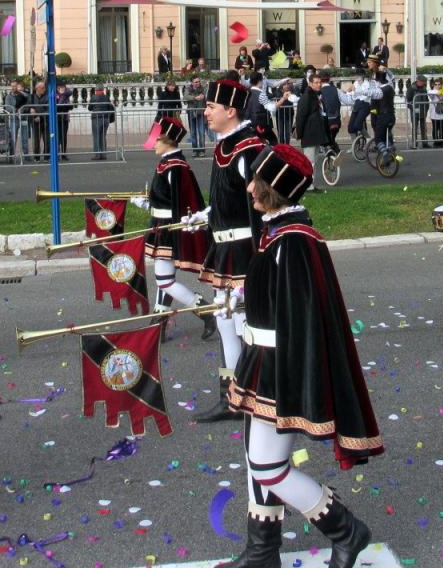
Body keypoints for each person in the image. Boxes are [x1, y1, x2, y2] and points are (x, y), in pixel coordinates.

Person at [221, 143, 382, 568]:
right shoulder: (277, 232)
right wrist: (243, 296)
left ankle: (346, 530)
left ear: (272, 189)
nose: (249, 186)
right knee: (257, 460)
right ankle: (262, 551)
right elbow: (279, 300)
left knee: (269, 467)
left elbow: (301, 319)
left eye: (256, 179)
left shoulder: (293, 241)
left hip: (279, 370)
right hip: (263, 364)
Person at [179, 77, 266, 423]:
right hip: (224, 249)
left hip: (245, 253)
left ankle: (254, 394)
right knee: (225, 321)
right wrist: (206, 215)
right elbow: (226, 198)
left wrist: (259, 264)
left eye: (211, 106)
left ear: (231, 110)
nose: (206, 112)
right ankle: (230, 398)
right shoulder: (223, 145)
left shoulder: (249, 148)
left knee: (245, 325)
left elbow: (261, 208)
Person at [133, 116, 217, 341]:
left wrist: (151, 206)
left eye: (156, 140)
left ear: (167, 141)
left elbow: (184, 204)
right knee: (165, 278)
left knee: (165, 281)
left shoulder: (176, 167)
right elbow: (166, 199)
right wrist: (148, 203)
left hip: (169, 229)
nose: (153, 144)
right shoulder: (166, 163)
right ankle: (158, 324)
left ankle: (206, 312)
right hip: (161, 227)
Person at [293, 71, 331, 183]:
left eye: (320, 82)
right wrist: (299, 133)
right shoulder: (307, 97)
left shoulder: (315, 95)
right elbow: (300, 116)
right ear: (310, 83)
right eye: (316, 82)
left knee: (314, 161)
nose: (319, 84)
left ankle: (311, 185)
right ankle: (308, 186)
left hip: (315, 133)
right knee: (309, 162)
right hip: (309, 134)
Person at [369, 70, 397, 164]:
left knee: (378, 139)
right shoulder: (390, 88)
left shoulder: (379, 91)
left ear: (378, 82)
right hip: (392, 116)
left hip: (383, 117)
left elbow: (374, 108)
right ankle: (391, 151)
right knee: (386, 136)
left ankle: (385, 155)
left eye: (376, 81)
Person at [3, 79, 30, 160]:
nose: (13, 88)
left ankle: (26, 155)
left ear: (18, 86)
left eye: (15, 86)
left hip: (23, 118)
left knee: (24, 137)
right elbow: (7, 107)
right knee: (13, 137)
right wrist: (15, 110)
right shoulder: (8, 96)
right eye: (12, 86)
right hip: (14, 119)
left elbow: (28, 103)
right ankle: (12, 155)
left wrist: (21, 110)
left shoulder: (23, 95)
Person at [22, 81, 48, 163]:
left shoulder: (47, 97)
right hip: (35, 122)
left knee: (46, 139)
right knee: (36, 140)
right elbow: (25, 108)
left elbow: (47, 109)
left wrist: (39, 115)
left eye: (44, 87)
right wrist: (30, 110)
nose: (44, 89)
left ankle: (46, 156)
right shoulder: (31, 97)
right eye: (42, 88)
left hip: (45, 121)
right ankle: (36, 157)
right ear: (37, 89)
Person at [88, 86, 115, 159]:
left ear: (96, 90)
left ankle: (97, 154)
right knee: (103, 136)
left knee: (96, 136)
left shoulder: (94, 97)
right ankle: (103, 154)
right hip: (105, 119)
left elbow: (89, 108)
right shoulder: (106, 97)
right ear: (103, 90)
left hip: (96, 118)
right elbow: (110, 107)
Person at [318, 73, 342, 154]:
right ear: (329, 79)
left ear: (320, 80)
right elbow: (347, 100)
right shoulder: (336, 90)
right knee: (331, 137)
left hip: (325, 120)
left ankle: (331, 152)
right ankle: (334, 150)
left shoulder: (319, 91)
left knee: (326, 140)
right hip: (336, 119)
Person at [185, 77, 208, 157]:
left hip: (201, 112)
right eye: (196, 82)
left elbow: (206, 95)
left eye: (198, 81)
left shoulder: (203, 88)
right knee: (193, 132)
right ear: (192, 83)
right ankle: (195, 150)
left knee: (201, 132)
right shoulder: (188, 89)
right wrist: (195, 97)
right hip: (191, 112)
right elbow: (186, 96)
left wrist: (203, 96)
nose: (198, 83)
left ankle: (202, 151)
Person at [405, 74, 429, 147]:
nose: (424, 83)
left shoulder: (424, 88)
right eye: (423, 82)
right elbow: (408, 100)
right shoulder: (411, 88)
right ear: (418, 81)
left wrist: (426, 107)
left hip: (423, 110)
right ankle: (414, 143)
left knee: (424, 127)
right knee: (415, 128)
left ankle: (425, 143)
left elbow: (426, 99)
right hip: (414, 111)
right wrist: (412, 108)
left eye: (424, 82)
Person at [427, 77, 443, 148]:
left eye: (439, 84)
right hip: (435, 115)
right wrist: (440, 91)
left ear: (441, 85)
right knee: (435, 129)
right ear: (433, 85)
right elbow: (430, 92)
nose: (437, 86)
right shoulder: (432, 92)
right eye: (435, 84)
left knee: (442, 129)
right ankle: (436, 142)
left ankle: (441, 142)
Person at [54, 81, 73, 159]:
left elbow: (70, 106)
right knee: (58, 136)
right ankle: (57, 153)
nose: (63, 89)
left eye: (64, 88)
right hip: (57, 118)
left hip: (64, 118)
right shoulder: (55, 95)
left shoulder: (66, 96)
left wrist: (63, 96)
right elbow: (57, 106)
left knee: (64, 136)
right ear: (58, 88)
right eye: (61, 88)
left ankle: (64, 154)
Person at [274, 79, 296, 143]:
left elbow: (297, 93)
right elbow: (276, 95)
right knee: (280, 132)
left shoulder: (292, 91)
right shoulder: (278, 91)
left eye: (287, 84)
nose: (286, 86)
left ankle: (287, 146)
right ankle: (281, 145)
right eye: (284, 84)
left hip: (289, 114)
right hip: (280, 114)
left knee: (287, 132)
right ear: (281, 85)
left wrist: (292, 83)